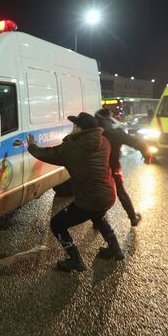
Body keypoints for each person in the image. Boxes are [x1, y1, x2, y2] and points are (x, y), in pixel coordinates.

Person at [27, 112, 124, 272]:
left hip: (89, 199)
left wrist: (31, 145)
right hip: (108, 195)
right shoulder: (104, 142)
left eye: (74, 126)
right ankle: (116, 249)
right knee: (98, 216)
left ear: (80, 128)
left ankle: (75, 260)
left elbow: (47, 154)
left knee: (57, 224)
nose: (72, 128)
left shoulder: (72, 148)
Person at [96, 108, 150, 227]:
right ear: (109, 116)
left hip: (96, 169)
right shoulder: (115, 132)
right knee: (120, 191)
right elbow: (135, 141)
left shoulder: (94, 130)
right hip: (112, 167)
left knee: (99, 192)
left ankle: (98, 222)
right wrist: (146, 153)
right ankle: (133, 218)